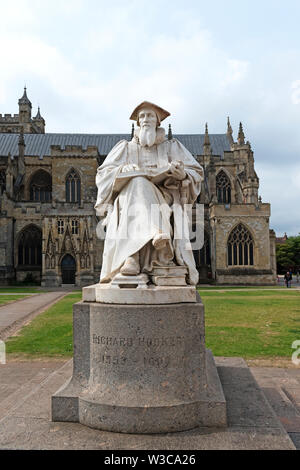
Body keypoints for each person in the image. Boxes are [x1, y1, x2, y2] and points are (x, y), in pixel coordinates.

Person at [95, 101, 204, 286]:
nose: (146, 119)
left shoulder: (172, 147)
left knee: (139, 183)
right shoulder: (125, 148)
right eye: (142, 116)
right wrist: (122, 170)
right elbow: (103, 175)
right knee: (138, 182)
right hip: (129, 199)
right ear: (138, 122)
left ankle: (133, 257)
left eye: (150, 115)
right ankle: (152, 238)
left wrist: (183, 174)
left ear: (158, 122)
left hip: (165, 199)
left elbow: (197, 172)